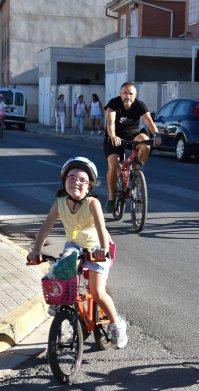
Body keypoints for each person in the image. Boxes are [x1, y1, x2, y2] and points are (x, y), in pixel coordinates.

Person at [27, 157, 128, 349]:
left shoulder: (92, 203)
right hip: (74, 245)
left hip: (98, 246)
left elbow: (100, 227)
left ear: (90, 185)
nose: (76, 183)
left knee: (97, 291)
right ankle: (60, 303)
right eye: (71, 178)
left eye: (82, 180)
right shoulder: (59, 203)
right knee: (61, 267)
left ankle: (117, 325)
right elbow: (45, 227)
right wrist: (36, 251)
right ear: (64, 181)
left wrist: (103, 250)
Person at [103, 82, 161, 213]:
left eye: (130, 93)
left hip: (131, 136)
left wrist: (156, 134)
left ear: (135, 95)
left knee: (145, 141)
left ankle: (137, 169)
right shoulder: (114, 103)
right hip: (114, 138)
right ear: (120, 93)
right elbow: (110, 121)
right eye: (125, 93)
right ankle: (112, 198)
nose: (127, 96)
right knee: (114, 164)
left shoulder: (140, 105)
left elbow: (148, 120)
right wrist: (113, 136)